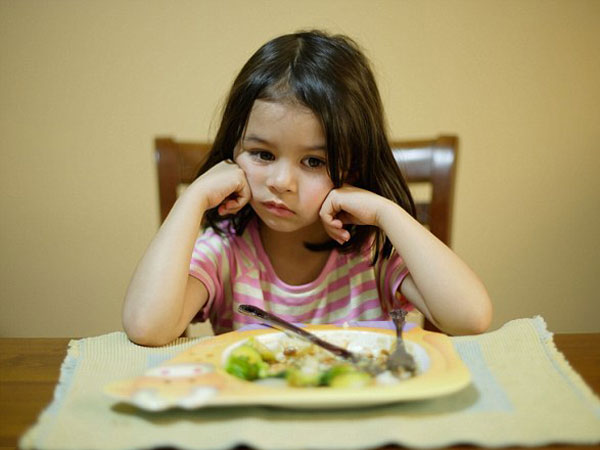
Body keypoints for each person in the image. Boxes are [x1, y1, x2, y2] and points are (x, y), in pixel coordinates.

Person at [122, 30, 492, 346]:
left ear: (353, 165)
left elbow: (470, 317)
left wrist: (384, 211)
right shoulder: (225, 251)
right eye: (261, 154)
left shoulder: (372, 251)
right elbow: (146, 326)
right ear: (233, 150)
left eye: (314, 161)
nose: (281, 182)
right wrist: (194, 199)